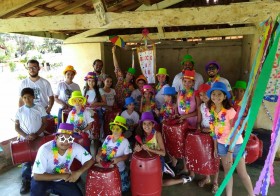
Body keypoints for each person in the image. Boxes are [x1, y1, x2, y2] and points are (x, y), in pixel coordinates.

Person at [206, 82, 254, 196]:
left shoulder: (230, 111)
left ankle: (252, 194)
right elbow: (214, 131)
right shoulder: (210, 110)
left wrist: (230, 151)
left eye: (219, 94)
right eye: (213, 93)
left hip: (235, 145)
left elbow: (234, 131)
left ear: (224, 96)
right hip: (222, 144)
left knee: (242, 173)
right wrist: (215, 147)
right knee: (227, 173)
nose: (216, 96)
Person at [31, 123, 94, 196]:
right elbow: (37, 176)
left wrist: (78, 172)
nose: (66, 142)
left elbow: (90, 160)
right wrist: (61, 175)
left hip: (63, 179)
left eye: (69, 139)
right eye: (62, 138)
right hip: (43, 179)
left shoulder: (75, 147)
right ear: (56, 137)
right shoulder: (45, 149)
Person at [134, 112, 190, 186]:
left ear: (153, 124)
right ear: (142, 125)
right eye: (144, 123)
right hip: (146, 162)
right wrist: (136, 149)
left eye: (149, 124)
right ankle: (165, 168)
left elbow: (163, 153)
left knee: (159, 184)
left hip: (158, 160)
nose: (146, 126)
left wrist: (149, 149)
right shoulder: (140, 134)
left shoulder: (157, 134)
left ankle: (183, 180)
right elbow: (136, 151)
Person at [15, 87, 48, 194]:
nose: (27, 99)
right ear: (22, 98)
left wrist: (37, 134)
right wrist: (26, 135)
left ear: (33, 97)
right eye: (24, 97)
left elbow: (45, 123)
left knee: (41, 158)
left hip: (39, 138)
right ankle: (26, 181)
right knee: (26, 161)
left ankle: (44, 180)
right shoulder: (19, 111)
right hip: (26, 140)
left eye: (29, 97)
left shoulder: (40, 108)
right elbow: (17, 127)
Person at [95, 116, 132, 192]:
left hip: (119, 169)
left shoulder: (125, 141)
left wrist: (119, 159)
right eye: (113, 128)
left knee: (122, 189)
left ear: (122, 130)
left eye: (117, 129)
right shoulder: (108, 137)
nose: (114, 131)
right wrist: (98, 155)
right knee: (106, 187)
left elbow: (127, 156)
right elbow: (102, 149)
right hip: (107, 167)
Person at [196, 84, 219, 194]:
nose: (203, 96)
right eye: (201, 95)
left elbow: (218, 124)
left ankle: (215, 182)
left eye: (205, 94)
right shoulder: (201, 107)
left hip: (215, 135)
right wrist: (199, 127)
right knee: (206, 156)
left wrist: (210, 131)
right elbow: (199, 121)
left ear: (210, 94)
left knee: (215, 157)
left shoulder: (215, 106)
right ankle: (207, 177)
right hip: (204, 134)